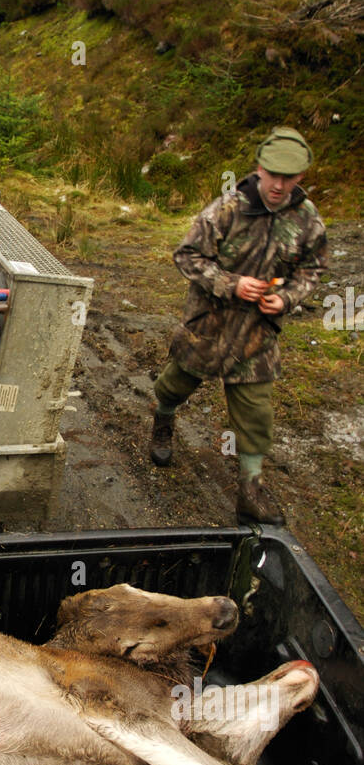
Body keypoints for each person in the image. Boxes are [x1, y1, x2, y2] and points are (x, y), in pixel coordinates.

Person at [149, 126, 328, 524]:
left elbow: (313, 268)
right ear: (259, 168)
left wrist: (287, 297)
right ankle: (163, 419)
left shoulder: (307, 219)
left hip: (257, 334)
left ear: (301, 176)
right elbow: (187, 256)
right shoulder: (228, 208)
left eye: (289, 177)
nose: (279, 185)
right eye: (273, 174)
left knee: (256, 412)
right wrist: (231, 283)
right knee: (176, 384)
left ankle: (250, 490)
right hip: (210, 325)